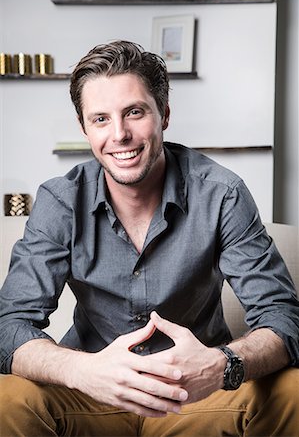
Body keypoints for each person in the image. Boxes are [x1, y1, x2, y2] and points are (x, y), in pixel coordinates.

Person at [0, 40, 298, 437]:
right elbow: (10, 326)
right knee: (7, 397)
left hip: (197, 395)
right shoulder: (60, 200)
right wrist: (83, 370)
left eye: (134, 113)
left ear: (164, 115)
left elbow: (283, 317)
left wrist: (220, 366)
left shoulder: (222, 193)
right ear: (84, 127)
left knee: (293, 390)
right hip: (91, 393)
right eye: (101, 119)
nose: (119, 134)